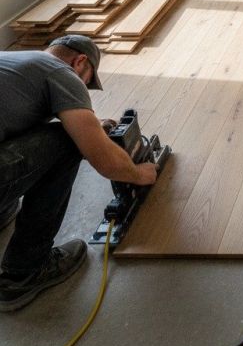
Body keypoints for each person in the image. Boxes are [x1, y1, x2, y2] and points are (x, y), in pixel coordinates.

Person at [0, 35, 157, 312]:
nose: (83, 85)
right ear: (80, 61)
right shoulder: (62, 72)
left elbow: (19, 118)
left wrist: (93, 125)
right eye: (86, 80)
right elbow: (102, 159)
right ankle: (24, 271)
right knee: (67, 141)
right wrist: (137, 173)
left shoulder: (15, 62)